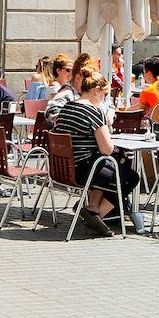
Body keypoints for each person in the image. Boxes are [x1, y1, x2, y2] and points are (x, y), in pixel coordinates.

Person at [51, 71, 138, 238]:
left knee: (112, 166)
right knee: (129, 176)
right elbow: (107, 149)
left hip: (63, 169)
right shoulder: (93, 111)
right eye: (104, 95)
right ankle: (95, 214)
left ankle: (92, 209)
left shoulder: (67, 108)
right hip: (84, 170)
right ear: (96, 90)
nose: (104, 99)